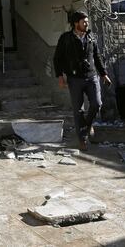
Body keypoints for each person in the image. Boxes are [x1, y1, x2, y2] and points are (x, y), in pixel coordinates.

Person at [53, 11, 111, 150]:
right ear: (75, 23)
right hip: (74, 79)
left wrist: (103, 74)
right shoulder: (65, 38)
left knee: (97, 104)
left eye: (87, 21)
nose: (86, 24)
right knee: (78, 110)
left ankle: (87, 125)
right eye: (84, 22)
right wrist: (60, 76)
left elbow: (97, 56)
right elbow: (57, 59)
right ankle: (82, 139)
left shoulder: (91, 37)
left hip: (92, 77)